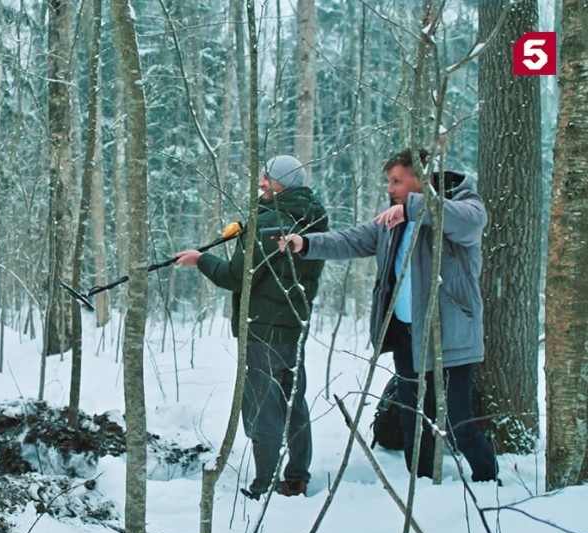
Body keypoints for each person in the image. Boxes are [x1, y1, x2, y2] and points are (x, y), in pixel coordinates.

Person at [279, 148, 498, 482]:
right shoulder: (392, 219)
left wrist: (412, 209)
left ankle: (486, 478)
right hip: (406, 332)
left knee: (458, 416)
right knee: (412, 416)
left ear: (421, 178)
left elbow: (467, 224)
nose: (390, 188)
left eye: (397, 180)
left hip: (450, 333)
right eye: (390, 182)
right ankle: (421, 481)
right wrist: (305, 244)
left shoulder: (463, 203)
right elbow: (351, 239)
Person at [175, 155, 328, 498]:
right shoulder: (310, 217)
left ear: (282, 183)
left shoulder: (270, 223)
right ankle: (296, 476)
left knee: (262, 405)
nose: (260, 182)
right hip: (294, 323)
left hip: (262, 327)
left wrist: (201, 260)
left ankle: (264, 484)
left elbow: (235, 277)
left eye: (267, 177)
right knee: (292, 400)